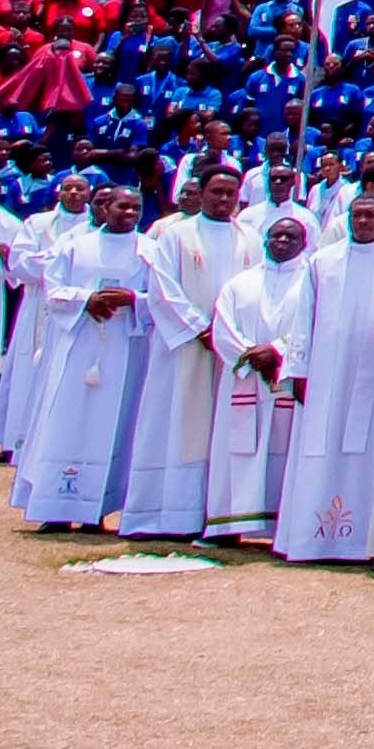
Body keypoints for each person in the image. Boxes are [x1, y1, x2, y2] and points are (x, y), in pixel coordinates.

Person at [126, 164, 251, 540]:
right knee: (178, 422)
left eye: (231, 193)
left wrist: (232, 337)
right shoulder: (175, 234)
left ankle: (223, 516)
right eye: (217, 192)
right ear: (200, 192)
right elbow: (163, 289)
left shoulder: (250, 238)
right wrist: (199, 328)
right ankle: (168, 515)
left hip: (230, 352)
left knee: (226, 427)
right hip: (185, 349)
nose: (224, 200)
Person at [269, 198, 374, 563]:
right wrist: (298, 370)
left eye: (370, 215)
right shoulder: (323, 262)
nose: (363, 221)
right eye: (357, 215)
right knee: (317, 447)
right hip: (326, 374)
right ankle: (309, 539)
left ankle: (364, 542)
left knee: (369, 449)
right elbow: (302, 320)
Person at [13, 183, 147, 529]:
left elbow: (160, 297)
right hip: (77, 345)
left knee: (113, 424)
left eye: (135, 208)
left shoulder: (149, 249)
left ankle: (97, 512)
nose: (129, 214)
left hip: (124, 349)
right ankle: (56, 510)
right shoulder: (75, 245)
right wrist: (88, 300)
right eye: (122, 207)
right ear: (105, 208)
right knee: (65, 420)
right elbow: (52, 290)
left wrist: (134, 300)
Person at [202, 212, 309, 542]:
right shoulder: (240, 283)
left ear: (304, 244)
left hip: (285, 379)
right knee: (237, 450)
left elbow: (310, 326)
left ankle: (281, 526)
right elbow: (223, 329)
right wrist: (252, 355)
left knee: (284, 449)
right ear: (265, 241)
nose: (281, 241)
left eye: (290, 237)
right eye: (276, 236)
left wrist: (277, 351)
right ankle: (228, 524)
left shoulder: (311, 281)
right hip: (244, 379)